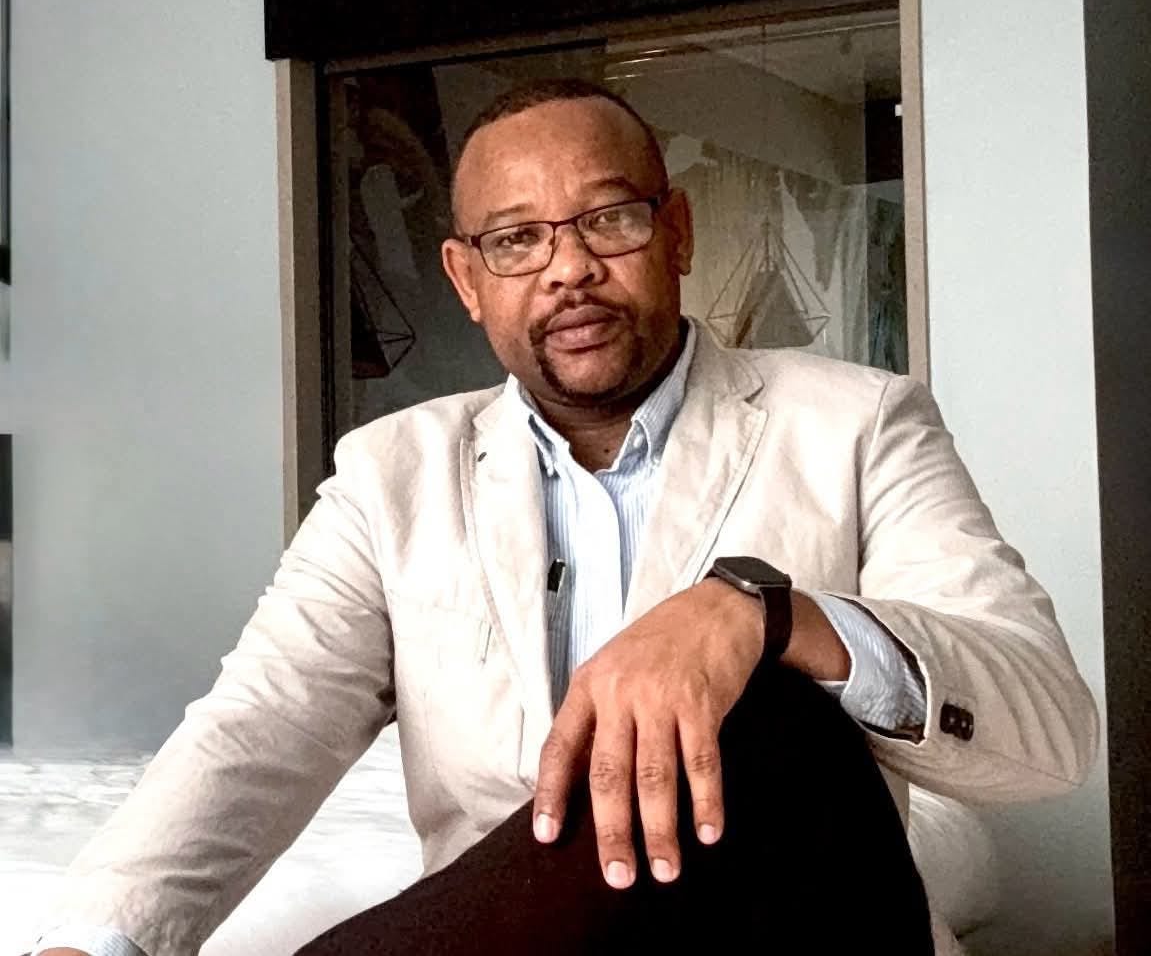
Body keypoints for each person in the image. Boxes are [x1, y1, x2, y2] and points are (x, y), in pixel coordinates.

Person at [36, 80, 1098, 956]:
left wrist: (770, 617)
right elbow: (258, 726)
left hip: (772, 926)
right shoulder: (390, 473)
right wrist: (92, 941)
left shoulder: (858, 423)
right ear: (465, 279)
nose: (569, 267)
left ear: (675, 232)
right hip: (515, 929)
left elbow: (1048, 731)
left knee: (766, 711)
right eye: (515, 239)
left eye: (608, 218)